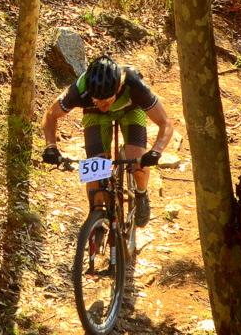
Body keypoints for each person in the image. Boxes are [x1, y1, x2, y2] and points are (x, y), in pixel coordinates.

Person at [38, 55, 174, 226]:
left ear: (118, 88)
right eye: (97, 100)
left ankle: (141, 193)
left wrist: (156, 151)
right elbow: (50, 115)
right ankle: (97, 215)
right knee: (96, 169)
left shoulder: (134, 84)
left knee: (137, 161)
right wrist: (51, 146)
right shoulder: (80, 89)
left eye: (107, 100)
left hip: (131, 110)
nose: (103, 105)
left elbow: (165, 123)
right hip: (94, 115)